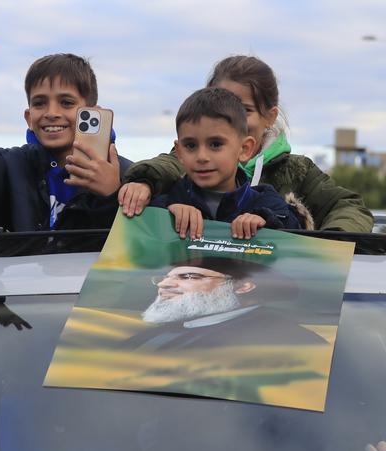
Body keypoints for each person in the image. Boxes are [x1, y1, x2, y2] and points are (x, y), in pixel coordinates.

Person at [119, 55, 373, 233]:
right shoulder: (190, 163)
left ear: (269, 116)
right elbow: (164, 168)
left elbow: (347, 207)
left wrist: (332, 244)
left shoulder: (296, 171)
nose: (228, 116)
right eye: (222, 103)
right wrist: (145, 184)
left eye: (244, 110)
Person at [0, 23, 132, 231]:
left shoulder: (132, 177)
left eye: (67, 103)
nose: (51, 113)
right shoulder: (12, 170)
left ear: (94, 114)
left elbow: (147, 244)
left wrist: (113, 195)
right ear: (28, 118)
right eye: (39, 103)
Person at [149, 87, 303, 240]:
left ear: (244, 149)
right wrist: (166, 212)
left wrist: (267, 222)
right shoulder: (170, 197)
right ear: (179, 152)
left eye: (215, 144)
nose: (202, 157)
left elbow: (296, 231)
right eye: (191, 145)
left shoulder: (266, 203)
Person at [124, 256, 327, 351]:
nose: (164, 284)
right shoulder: (159, 332)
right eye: (165, 277)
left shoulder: (289, 340)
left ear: (243, 286)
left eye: (189, 276)